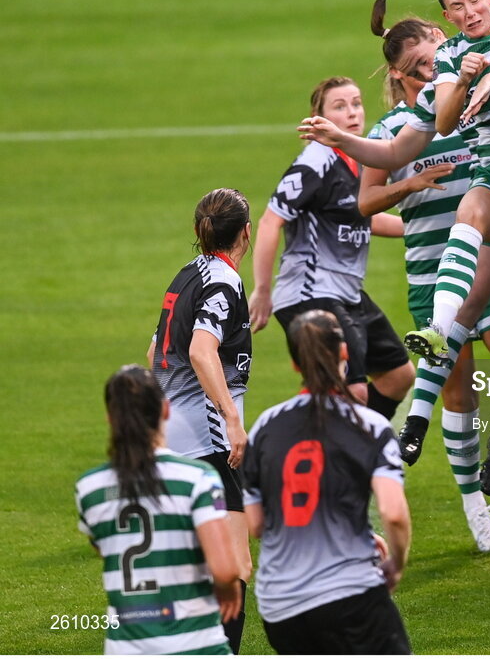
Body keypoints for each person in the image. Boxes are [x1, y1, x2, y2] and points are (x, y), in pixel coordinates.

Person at [357, 0, 490, 549]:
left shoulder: (478, 100)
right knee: (460, 393)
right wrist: (412, 188)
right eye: (423, 64)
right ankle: (475, 507)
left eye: (440, 54)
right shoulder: (398, 127)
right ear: (401, 74)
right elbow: (364, 204)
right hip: (429, 273)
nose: (436, 65)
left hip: (486, 268)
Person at [242, 309, 412, 654]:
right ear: (346, 352)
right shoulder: (369, 426)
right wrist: (396, 561)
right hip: (349, 596)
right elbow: (393, 512)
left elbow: (257, 524)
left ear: (295, 365)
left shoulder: (264, 427)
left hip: (280, 606)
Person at [249, 76, 414, 418]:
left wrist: (426, 228)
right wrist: (263, 291)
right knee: (349, 389)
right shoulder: (316, 161)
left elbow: (363, 217)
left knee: (398, 376)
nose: (352, 112)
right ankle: (336, 458)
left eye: (356, 103)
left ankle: (362, 447)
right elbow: (269, 221)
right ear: (318, 116)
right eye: (339, 107)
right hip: (312, 293)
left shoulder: (356, 157)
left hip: (347, 292)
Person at [147, 187, 252, 652]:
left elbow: (155, 352)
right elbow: (199, 349)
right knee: (235, 566)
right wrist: (230, 417)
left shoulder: (185, 274)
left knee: (193, 561)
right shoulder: (224, 282)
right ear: (246, 233)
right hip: (208, 441)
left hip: (172, 435)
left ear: (199, 232)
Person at [75, 365, 242, 655]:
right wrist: (229, 590)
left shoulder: (90, 488)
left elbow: (106, 547)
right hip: (194, 643)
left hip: (127, 647)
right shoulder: (197, 478)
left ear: (110, 418)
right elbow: (225, 570)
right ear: (166, 410)